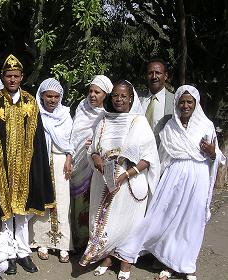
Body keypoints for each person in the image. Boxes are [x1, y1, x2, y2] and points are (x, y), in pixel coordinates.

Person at [115, 85, 226, 280]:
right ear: (176, 104)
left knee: (191, 222)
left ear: (195, 104)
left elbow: (218, 157)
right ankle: (150, 259)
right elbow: (162, 158)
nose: (185, 105)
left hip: (197, 178)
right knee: (165, 217)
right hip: (173, 177)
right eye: (181, 102)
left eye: (189, 102)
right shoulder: (170, 127)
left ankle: (184, 264)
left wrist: (212, 153)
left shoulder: (206, 126)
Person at [78, 80, 160, 280]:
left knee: (128, 222)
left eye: (124, 96)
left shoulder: (139, 122)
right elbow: (93, 149)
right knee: (109, 222)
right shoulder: (104, 120)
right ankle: (107, 256)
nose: (119, 99)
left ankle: (125, 261)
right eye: (115, 95)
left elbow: (148, 158)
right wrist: (96, 158)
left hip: (130, 181)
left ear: (131, 99)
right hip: (103, 179)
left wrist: (124, 175)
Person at [0, 54, 55, 274]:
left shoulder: (30, 102)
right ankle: (9, 254)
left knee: (22, 216)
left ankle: (23, 252)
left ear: (22, 77)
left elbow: (37, 140)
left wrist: (35, 167)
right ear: (3, 77)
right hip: (1, 169)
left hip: (24, 168)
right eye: (8, 76)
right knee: (5, 215)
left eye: (16, 76)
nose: (12, 79)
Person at [29, 78, 74, 263]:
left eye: (56, 96)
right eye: (49, 96)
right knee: (43, 202)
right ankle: (42, 242)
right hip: (41, 162)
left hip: (61, 161)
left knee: (62, 203)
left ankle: (63, 246)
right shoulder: (35, 114)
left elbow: (71, 141)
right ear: (42, 96)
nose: (52, 100)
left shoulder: (65, 115)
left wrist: (69, 160)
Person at [69, 75, 113, 250]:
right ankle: (73, 240)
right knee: (73, 202)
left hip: (92, 167)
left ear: (106, 95)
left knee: (89, 203)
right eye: (91, 91)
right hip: (75, 163)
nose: (93, 95)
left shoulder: (107, 115)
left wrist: (94, 143)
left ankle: (87, 242)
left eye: (97, 92)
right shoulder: (82, 107)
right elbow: (74, 132)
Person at [139, 59, 174, 143]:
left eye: (158, 73)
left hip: (163, 153)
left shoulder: (175, 101)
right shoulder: (137, 99)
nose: (154, 77)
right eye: (150, 73)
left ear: (165, 76)